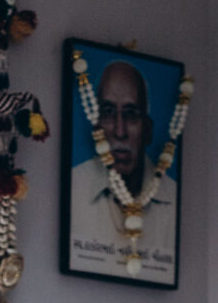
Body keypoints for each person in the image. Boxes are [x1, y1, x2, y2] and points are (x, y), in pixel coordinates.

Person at [68, 59, 177, 282]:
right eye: (108, 113)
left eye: (131, 114)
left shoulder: (174, 197)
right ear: (97, 127)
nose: (120, 131)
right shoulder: (75, 187)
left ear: (147, 130)